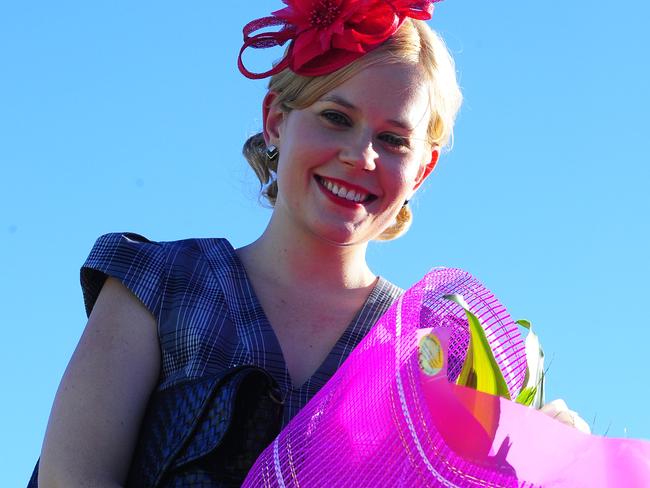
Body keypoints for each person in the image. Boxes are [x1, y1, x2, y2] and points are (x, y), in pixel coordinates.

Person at [34, 1, 588, 486]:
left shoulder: (436, 348)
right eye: (335, 117)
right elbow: (74, 477)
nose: (361, 155)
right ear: (276, 120)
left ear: (423, 169)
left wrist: (544, 461)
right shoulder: (158, 284)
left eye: (393, 139)